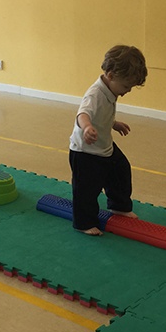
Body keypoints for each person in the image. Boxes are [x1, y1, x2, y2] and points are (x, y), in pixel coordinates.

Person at [69, 45, 148, 235]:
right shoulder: (95, 94)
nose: (128, 91)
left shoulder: (110, 89)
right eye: (126, 86)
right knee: (87, 189)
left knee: (120, 170)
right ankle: (84, 223)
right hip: (85, 152)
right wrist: (87, 127)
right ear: (111, 75)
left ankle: (119, 206)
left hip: (104, 146)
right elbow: (83, 114)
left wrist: (113, 123)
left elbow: (101, 113)